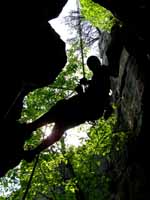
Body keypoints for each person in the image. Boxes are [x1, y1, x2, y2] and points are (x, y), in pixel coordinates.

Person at [23, 56, 112, 162]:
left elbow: (95, 97)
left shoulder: (102, 75)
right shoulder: (100, 76)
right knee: (58, 127)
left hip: (78, 109)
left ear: (96, 64)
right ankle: (33, 149)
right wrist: (87, 83)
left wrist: (81, 92)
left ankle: (31, 130)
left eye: (92, 66)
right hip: (79, 112)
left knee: (55, 117)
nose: (92, 68)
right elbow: (97, 91)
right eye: (91, 67)